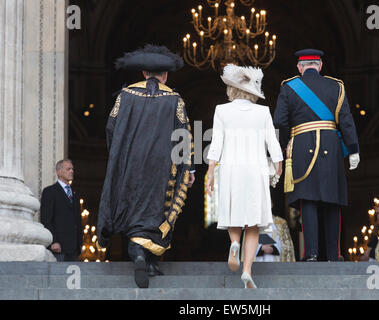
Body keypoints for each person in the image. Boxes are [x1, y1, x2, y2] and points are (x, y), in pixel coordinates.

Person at [96, 44, 195, 288]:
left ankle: (140, 255)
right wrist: (188, 168)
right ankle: (149, 260)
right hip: (162, 166)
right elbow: (183, 135)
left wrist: (119, 155)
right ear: (165, 75)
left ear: (143, 73)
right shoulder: (174, 99)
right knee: (157, 210)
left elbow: (111, 128)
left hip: (131, 163)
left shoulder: (125, 95)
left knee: (133, 206)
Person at [274, 49, 360, 262]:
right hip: (331, 146)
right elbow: (346, 120)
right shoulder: (336, 86)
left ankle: (311, 253)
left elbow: (280, 122)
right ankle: (334, 254)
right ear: (320, 66)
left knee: (308, 200)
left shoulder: (288, 87)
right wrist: (354, 149)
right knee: (332, 199)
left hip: (301, 146)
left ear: (300, 68)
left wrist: (283, 146)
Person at [206, 64, 283, 288]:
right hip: (255, 169)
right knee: (253, 224)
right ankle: (247, 270)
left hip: (231, 168)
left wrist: (211, 172)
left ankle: (234, 243)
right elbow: (273, 142)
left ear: (231, 89)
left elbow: (216, 144)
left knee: (233, 212)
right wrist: (279, 165)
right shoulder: (263, 112)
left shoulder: (222, 110)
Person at [40, 160, 82, 262]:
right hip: (58, 247)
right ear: (59, 172)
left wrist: (80, 244)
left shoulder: (75, 194)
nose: (72, 171)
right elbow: (46, 219)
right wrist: (54, 241)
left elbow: (78, 220)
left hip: (74, 249)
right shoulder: (49, 191)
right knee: (58, 277)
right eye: (68, 169)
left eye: (72, 169)